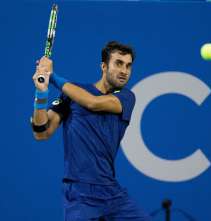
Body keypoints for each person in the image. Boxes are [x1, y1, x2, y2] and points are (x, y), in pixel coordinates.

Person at [31, 41, 151, 221]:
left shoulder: (126, 97)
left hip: (112, 193)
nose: (124, 71)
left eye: (128, 66)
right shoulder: (70, 94)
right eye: (118, 63)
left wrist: (52, 76)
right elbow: (42, 132)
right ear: (104, 66)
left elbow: (92, 103)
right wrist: (41, 93)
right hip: (79, 194)